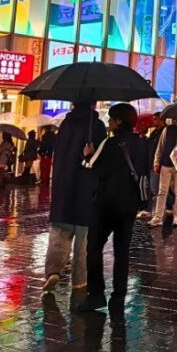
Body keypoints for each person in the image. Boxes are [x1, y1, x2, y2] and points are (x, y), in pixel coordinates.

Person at [80, 103, 148, 312]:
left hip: (106, 204)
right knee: (122, 251)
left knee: (93, 248)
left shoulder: (110, 143)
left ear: (119, 121)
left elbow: (92, 167)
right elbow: (144, 171)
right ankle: (118, 296)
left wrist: (87, 155)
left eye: (111, 118)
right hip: (129, 205)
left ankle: (96, 294)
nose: (109, 122)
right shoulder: (142, 144)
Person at [43, 102, 105, 294]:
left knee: (60, 231)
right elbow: (101, 158)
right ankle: (79, 279)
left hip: (63, 185)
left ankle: (53, 271)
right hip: (87, 186)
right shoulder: (97, 126)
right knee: (84, 237)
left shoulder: (65, 125)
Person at [149, 120, 177, 227]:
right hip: (166, 163)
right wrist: (156, 162)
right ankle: (158, 217)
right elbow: (161, 147)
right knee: (162, 191)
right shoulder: (167, 130)